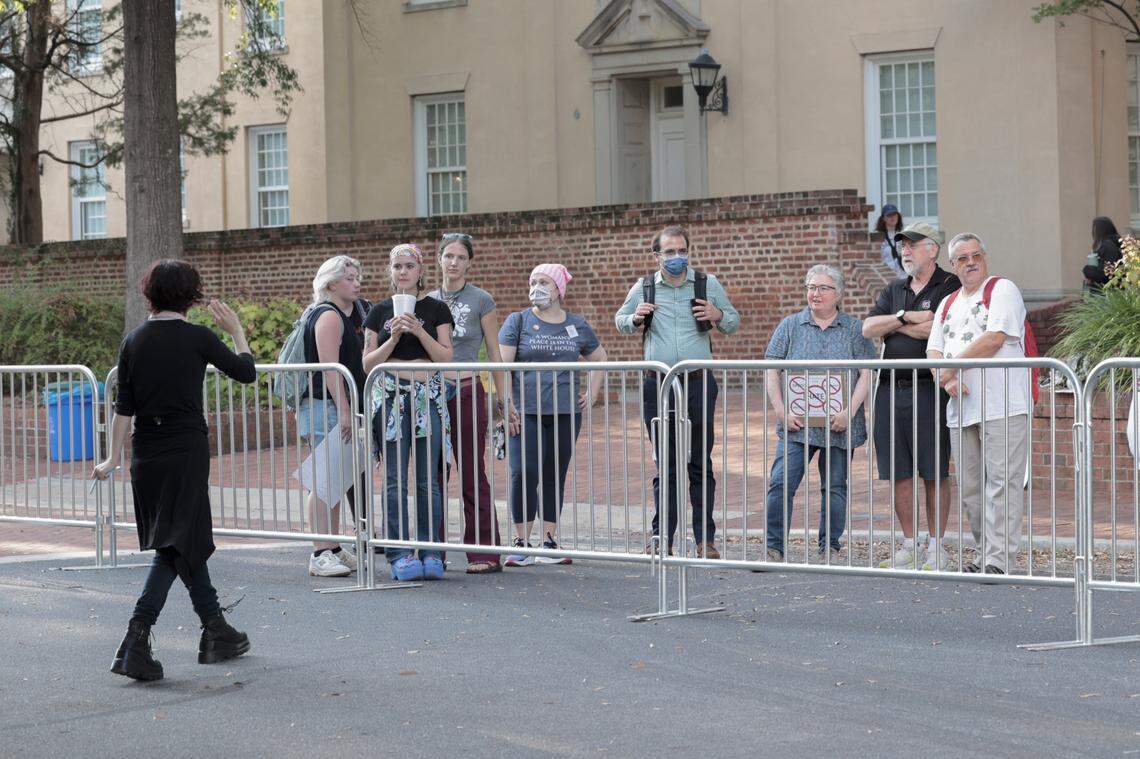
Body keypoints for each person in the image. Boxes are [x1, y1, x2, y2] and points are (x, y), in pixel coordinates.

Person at [93, 260, 256, 681]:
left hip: (146, 453)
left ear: (150, 294)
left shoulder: (133, 341)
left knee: (181, 539)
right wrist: (237, 331)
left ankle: (216, 630)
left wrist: (113, 458)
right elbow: (245, 372)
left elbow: (122, 409)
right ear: (190, 296)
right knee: (175, 542)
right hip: (185, 448)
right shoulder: (198, 337)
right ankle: (136, 637)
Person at [614, 225, 740, 559]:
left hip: (697, 381)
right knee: (665, 462)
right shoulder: (644, 287)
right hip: (659, 384)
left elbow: (733, 322)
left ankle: (704, 540)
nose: (676, 257)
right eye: (669, 252)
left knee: (700, 461)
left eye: (681, 250)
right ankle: (661, 538)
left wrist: (718, 314)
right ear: (656, 256)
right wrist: (635, 318)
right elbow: (620, 320)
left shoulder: (705, 283)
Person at [927, 233, 1032, 576]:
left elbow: (994, 339)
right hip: (961, 409)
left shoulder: (1002, 289)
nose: (971, 262)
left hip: (1003, 403)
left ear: (984, 258)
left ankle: (998, 561)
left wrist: (951, 366)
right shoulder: (948, 302)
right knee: (972, 489)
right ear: (953, 265)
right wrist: (946, 377)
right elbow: (933, 350)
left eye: (976, 255)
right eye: (962, 258)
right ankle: (986, 552)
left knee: (1002, 483)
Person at [862, 221, 960, 570]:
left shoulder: (949, 284)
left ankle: (937, 546)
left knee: (934, 469)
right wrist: (904, 317)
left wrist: (896, 325)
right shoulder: (894, 289)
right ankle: (909, 542)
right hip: (890, 390)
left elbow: (940, 325)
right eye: (903, 245)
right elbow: (869, 327)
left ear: (932, 249)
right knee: (898, 470)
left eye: (912, 244)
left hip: (929, 389)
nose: (905, 250)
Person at [763, 264, 875, 563]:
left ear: (838, 293)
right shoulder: (790, 325)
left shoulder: (855, 329)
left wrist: (849, 413)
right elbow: (771, 370)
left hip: (840, 425)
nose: (815, 293)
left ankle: (830, 547)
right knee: (781, 482)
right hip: (796, 424)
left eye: (823, 288)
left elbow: (866, 374)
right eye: (811, 287)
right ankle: (774, 547)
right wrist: (781, 411)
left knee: (835, 488)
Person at [498, 263, 606, 566]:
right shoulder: (517, 321)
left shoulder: (576, 324)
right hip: (526, 412)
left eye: (544, 282)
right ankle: (522, 541)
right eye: (533, 281)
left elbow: (599, 357)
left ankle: (548, 541)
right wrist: (507, 407)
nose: (537, 287)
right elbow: (502, 367)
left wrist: (593, 392)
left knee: (553, 474)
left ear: (559, 289)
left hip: (565, 412)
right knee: (523, 472)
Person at [363, 243, 454, 582]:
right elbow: (367, 362)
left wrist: (418, 330)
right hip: (390, 399)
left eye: (408, 266)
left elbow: (445, 358)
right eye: (397, 266)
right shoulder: (378, 311)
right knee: (395, 478)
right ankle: (399, 552)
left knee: (428, 478)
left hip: (427, 396)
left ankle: (431, 550)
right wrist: (394, 337)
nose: (402, 272)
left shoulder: (436, 309)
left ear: (420, 272)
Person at [427, 232, 515, 574]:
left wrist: (503, 401)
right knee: (432, 472)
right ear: (439, 259)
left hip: (466, 389)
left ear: (469, 262)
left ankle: (483, 552)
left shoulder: (481, 300)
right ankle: (431, 549)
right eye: (448, 255)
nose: (454, 262)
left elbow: (494, 352)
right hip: (432, 394)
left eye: (461, 257)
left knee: (470, 471)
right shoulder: (427, 300)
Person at [297, 255, 367, 578]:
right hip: (325, 406)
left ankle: (333, 546)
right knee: (324, 479)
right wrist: (344, 410)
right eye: (349, 278)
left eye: (357, 277)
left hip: (335, 406)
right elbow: (330, 369)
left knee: (334, 478)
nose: (357, 282)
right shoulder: (328, 316)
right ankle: (319, 551)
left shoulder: (346, 313)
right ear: (331, 283)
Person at [1083, 216, 1122, 291]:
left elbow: (1105, 274)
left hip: (1106, 294)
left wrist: (1087, 270)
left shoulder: (1107, 246)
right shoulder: (1115, 244)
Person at [875, 204, 906, 278]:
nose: (892, 217)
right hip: (887, 277)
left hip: (904, 277)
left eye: (894, 214)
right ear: (883, 218)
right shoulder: (878, 238)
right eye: (889, 215)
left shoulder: (903, 235)